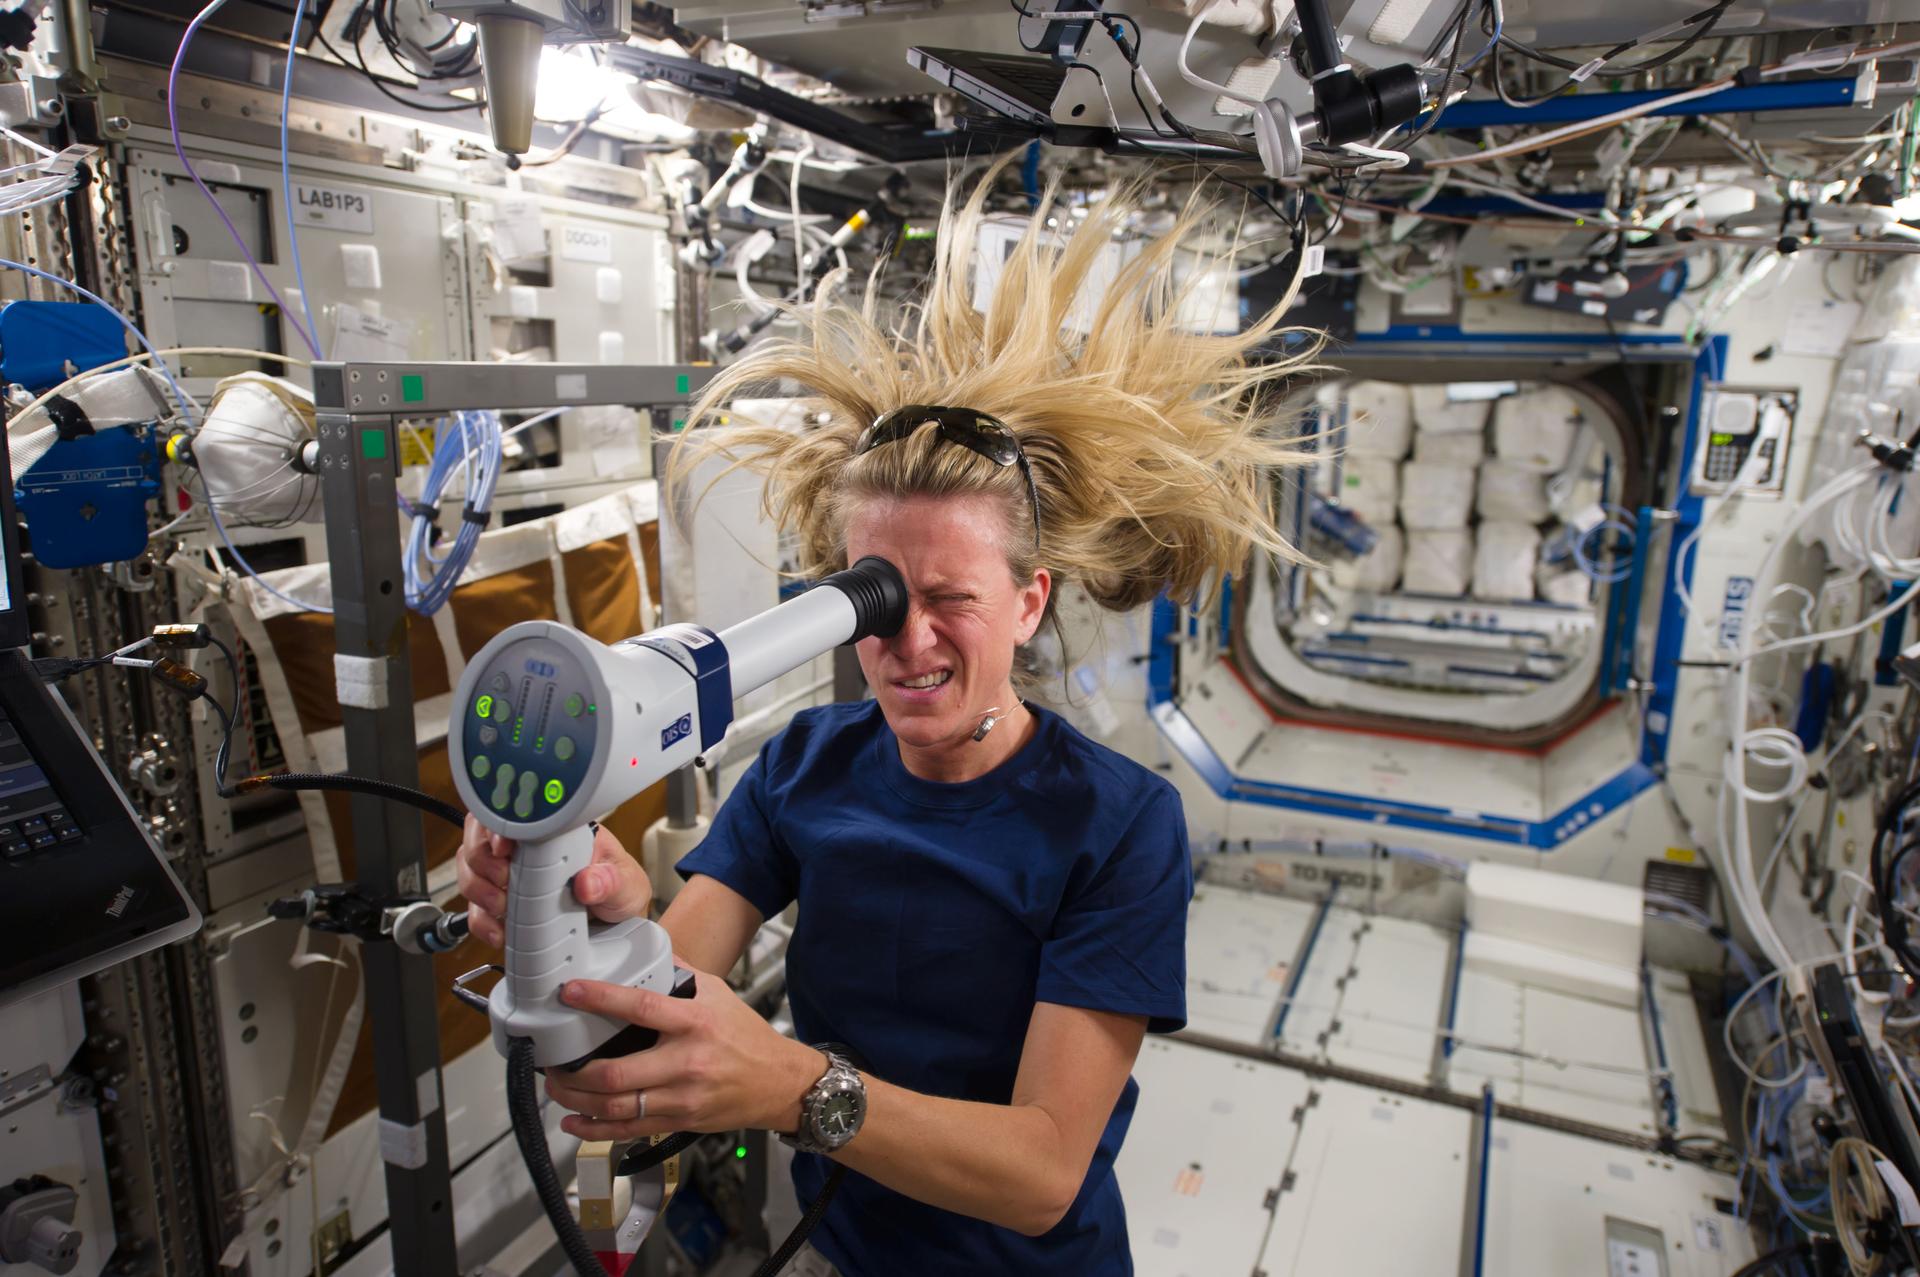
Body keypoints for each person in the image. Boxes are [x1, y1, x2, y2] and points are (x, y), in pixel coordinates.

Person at [455, 162, 1314, 1275]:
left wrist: (788, 1083)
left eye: (953, 600)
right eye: (874, 598)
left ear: (1029, 598)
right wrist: (603, 920)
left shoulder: (1118, 825)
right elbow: (661, 1003)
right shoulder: (807, 763)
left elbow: (1046, 1169)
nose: (910, 645)